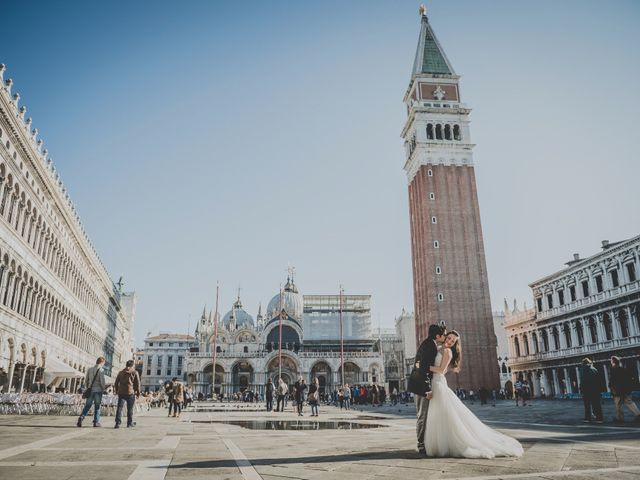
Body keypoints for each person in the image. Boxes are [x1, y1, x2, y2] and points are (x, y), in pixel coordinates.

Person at [425, 331, 523, 458]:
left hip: (438, 383)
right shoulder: (438, 348)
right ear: (445, 337)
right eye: (449, 338)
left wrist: (425, 367)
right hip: (435, 383)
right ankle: (440, 444)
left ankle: (447, 444)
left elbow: (442, 370)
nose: (449, 341)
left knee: (444, 414)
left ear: (455, 344)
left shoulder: (448, 352)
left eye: (453, 341)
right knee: (438, 414)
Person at [412, 322, 446, 455]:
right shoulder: (430, 346)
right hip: (421, 384)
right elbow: (423, 368)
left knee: (424, 414)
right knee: (422, 415)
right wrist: (427, 389)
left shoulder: (430, 344)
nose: (445, 337)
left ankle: (425, 441)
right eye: (443, 335)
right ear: (437, 336)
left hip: (421, 383)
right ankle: (421, 444)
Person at [77, 357, 106, 428]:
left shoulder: (90, 369)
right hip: (98, 391)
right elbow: (102, 381)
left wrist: (88, 387)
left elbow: (86, 380)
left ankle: (81, 417)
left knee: (87, 406)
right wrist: (103, 389)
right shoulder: (101, 370)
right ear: (101, 363)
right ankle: (96, 422)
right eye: (103, 363)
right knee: (97, 407)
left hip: (90, 390)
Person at [609, 356, 640, 423]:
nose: (611, 362)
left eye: (611, 361)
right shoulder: (623, 369)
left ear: (613, 362)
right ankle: (638, 415)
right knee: (630, 403)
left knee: (618, 405)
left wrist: (612, 388)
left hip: (618, 391)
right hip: (626, 390)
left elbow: (612, 381)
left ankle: (620, 418)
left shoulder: (613, 370)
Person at [114, 360, 141, 428]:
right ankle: (129, 423)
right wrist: (138, 393)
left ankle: (117, 423)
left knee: (119, 408)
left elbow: (116, 383)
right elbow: (138, 384)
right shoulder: (135, 372)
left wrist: (117, 391)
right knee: (130, 409)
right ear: (132, 365)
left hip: (121, 392)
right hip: (130, 392)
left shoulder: (120, 372)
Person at [580, 358, 603, 423]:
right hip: (595, 390)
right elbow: (599, 380)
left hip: (586, 390)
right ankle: (599, 419)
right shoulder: (594, 369)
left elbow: (582, 381)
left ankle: (587, 418)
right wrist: (600, 390)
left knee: (587, 406)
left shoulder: (582, 370)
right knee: (597, 404)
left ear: (583, 363)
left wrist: (581, 390)